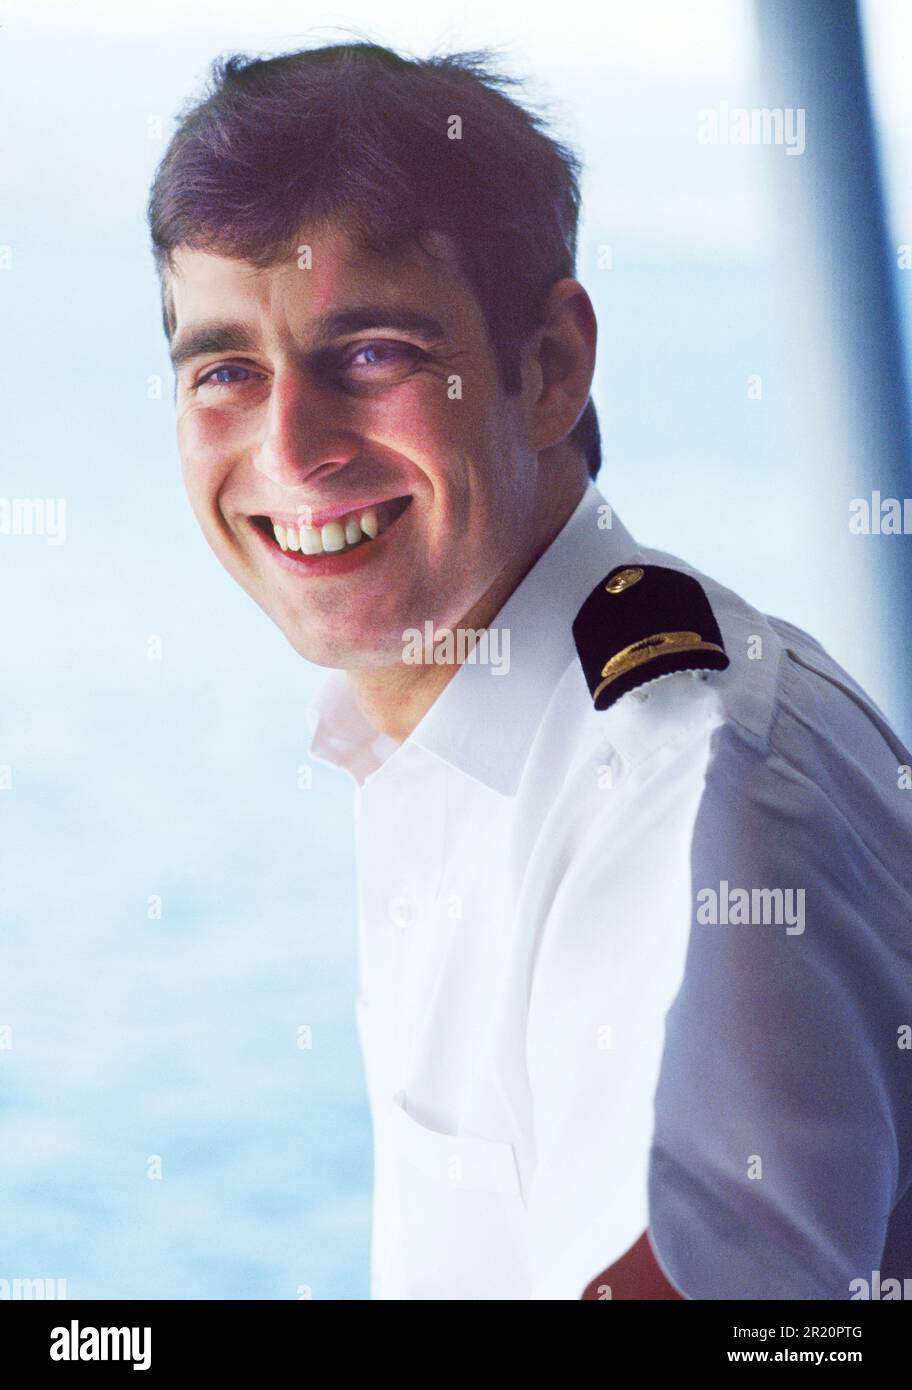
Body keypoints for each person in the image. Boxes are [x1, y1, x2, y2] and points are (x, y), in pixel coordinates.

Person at [147, 40, 912, 1300]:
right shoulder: (451, 722)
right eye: (226, 369)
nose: (291, 449)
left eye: (373, 353)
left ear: (550, 366)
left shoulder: (682, 787)